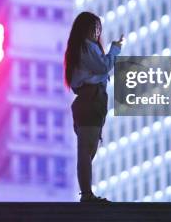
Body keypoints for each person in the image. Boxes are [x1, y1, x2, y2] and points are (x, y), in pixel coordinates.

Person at [64, 11, 124, 203]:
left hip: (93, 98)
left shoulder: (83, 47)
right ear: (85, 28)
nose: (97, 31)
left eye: (99, 28)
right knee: (86, 148)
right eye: (94, 27)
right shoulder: (86, 47)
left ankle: (87, 193)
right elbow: (103, 67)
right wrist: (114, 50)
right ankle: (86, 194)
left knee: (88, 148)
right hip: (91, 98)